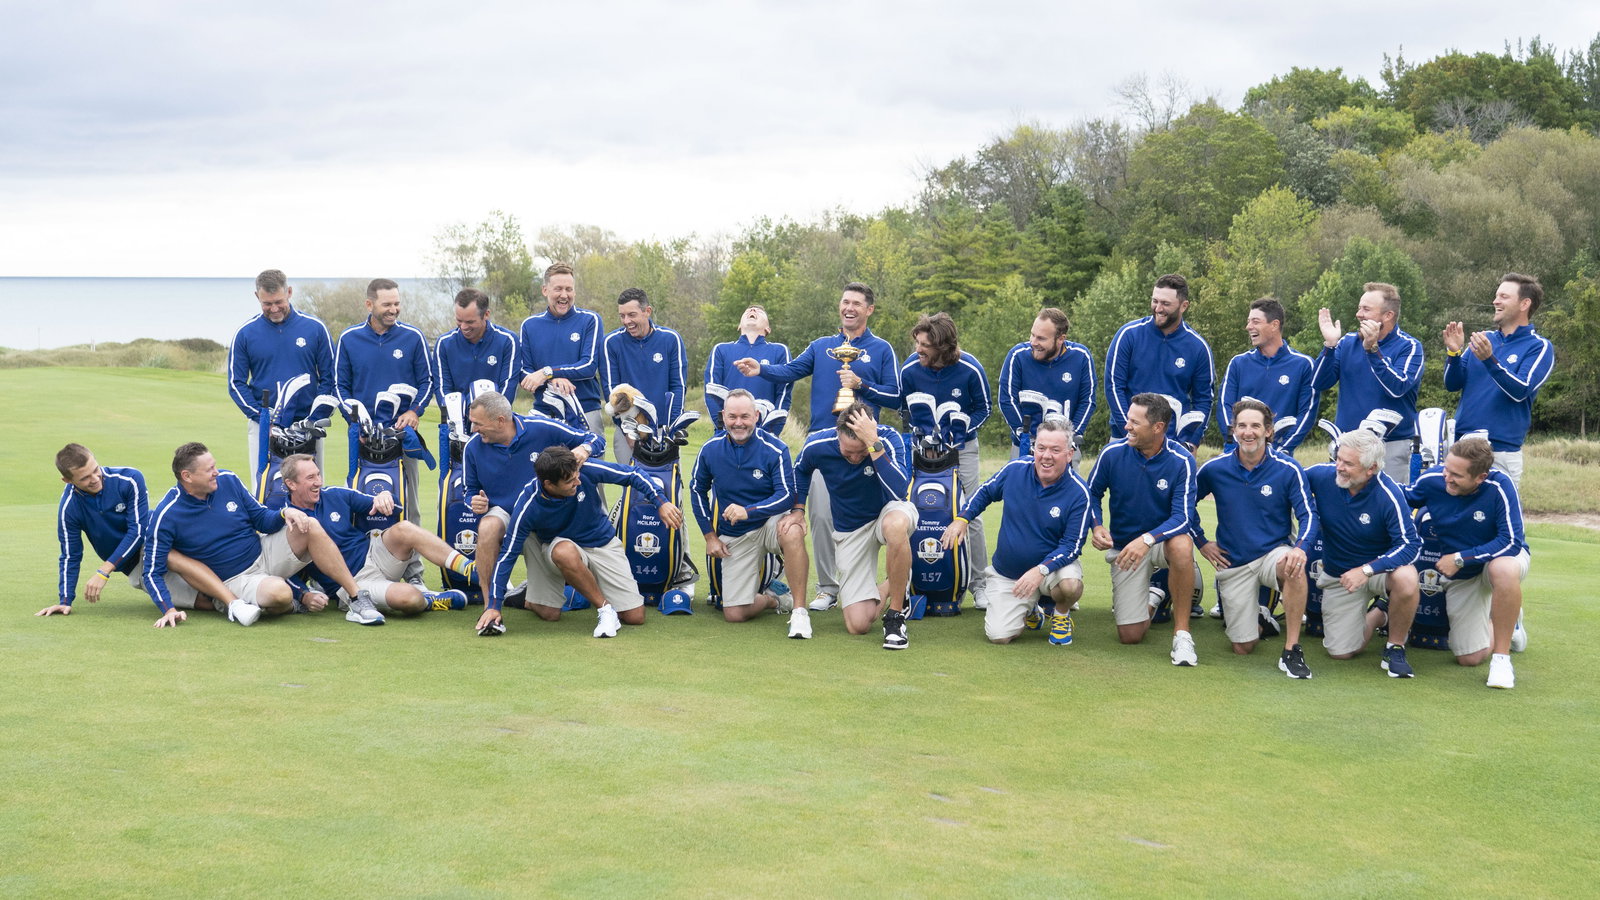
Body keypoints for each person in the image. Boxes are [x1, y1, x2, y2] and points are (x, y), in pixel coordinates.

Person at [733, 282, 901, 611]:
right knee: (822, 517)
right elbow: (792, 370)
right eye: (844, 302)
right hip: (825, 446)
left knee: (878, 520)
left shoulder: (881, 349)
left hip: (866, 446)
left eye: (856, 303)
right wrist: (762, 369)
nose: (848, 308)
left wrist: (861, 384)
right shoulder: (822, 346)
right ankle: (828, 587)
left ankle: (883, 583)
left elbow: (896, 396)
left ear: (869, 310)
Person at [144, 442, 373, 628]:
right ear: (187, 476)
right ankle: (292, 600)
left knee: (309, 524)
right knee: (279, 594)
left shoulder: (228, 480)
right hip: (236, 579)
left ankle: (356, 598)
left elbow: (262, 520)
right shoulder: (167, 514)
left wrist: (285, 513)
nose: (216, 472)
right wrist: (169, 609)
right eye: (209, 470)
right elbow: (152, 572)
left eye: (214, 466)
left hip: (264, 553)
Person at [477, 447, 684, 637]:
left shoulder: (584, 469)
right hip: (559, 548)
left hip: (602, 543)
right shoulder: (528, 504)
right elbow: (508, 555)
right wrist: (494, 605)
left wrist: (661, 502)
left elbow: (633, 474)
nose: (577, 482)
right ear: (548, 484)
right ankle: (605, 610)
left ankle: (535, 591)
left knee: (635, 617)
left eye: (577, 477)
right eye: (569, 481)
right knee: (550, 612)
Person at [1194, 400, 1317, 677]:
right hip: (1234, 562)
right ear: (1234, 430)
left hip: (1273, 554)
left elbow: (1309, 515)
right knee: (1243, 646)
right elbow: (1185, 504)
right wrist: (1201, 542)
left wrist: (1300, 549)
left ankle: (1292, 650)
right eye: (1242, 426)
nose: (1248, 432)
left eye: (1255, 426)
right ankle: (1262, 617)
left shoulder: (1288, 468)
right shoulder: (1215, 468)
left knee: (1293, 567)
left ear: (1268, 431)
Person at [39, 443, 230, 620]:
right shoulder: (69, 508)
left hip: (160, 538)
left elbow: (137, 531)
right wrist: (65, 600)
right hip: (133, 566)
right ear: (67, 480)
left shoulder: (129, 479)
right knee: (206, 602)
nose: (95, 478)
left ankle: (242, 600)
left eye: (95, 470)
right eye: (85, 478)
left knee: (203, 564)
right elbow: (70, 555)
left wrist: (104, 571)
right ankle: (240, 602)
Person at [942, 420, 1090, 646]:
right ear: (1034, 449)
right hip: (1009, 573)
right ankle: (1031, 609)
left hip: (1050, 571)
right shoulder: (1015, 469)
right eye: (1041, 448)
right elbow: (984, 492)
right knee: (998, 636)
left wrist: (1040, 570)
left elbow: (1072, 546)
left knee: (1070, 584)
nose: (1046, 455)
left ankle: (1060, 614)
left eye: (1055, 450)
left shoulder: (1079, 492)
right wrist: (962, 518)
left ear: (1069, 454)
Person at [275, 454, 476, 618]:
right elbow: (281, 570)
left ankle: (468, 569)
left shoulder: (334, 494)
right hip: (353, 584)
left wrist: (386, 497)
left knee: (405, 528)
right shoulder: (286, 520)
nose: (318, 482)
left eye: (318, 475)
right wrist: (303, 595)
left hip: (375, 554)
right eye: (310, 478)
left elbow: (395, 508)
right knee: (410, 598)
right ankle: (430, 600)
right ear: (291, 484)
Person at [1085, 393, 1201, 666]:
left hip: (1160, 543)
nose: (1127, 427)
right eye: (1128, 420)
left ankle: (1182, 634)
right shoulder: (1112, 453)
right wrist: (1097, 524)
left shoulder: (1182, 460)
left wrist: (1147, 540)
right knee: (1130, 635)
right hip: (1125, 548)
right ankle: (1157, 592)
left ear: (1158, 427)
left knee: (1182, 544)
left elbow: (1183, 517)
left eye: (1134, 422)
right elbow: (1090, 494)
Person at [1405, 438, 1529, 689]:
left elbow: (1512, 541)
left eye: (1456, 475)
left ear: (1480, 477)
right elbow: (1400, 498)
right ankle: (1505, 618)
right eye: (1446, 469)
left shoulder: (1500, 485)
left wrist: (1461, 558)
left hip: (1496, 560)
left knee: (1502, 569)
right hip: (1463, 573)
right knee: (1469, 658)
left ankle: (1502, 660)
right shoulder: (1433, 479)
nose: (1446, 477)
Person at [791, 402, 916, 649]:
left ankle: (895, 617)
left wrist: (874, 445)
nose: (856, 458)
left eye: (862, 452)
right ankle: (896, 581)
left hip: (888, 512)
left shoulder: (888, 439)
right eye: (848, 452)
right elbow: (801, 470)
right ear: (838, 435)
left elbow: (899, 490)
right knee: (857, 625)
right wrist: (798, 510)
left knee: (896, 525)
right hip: (851, 528)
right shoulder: (818, 444)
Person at [462, 391, 603, 607]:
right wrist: (474, 501)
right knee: (488, 526)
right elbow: (469, 490)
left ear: (500, 421)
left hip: (547, 511)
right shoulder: (472, 447)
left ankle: (532, 594)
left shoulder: (541, 428)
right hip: (508, 513)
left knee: (547, 613)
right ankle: (490, 604)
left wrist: (584, 449)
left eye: (478, 423)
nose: (473, 429)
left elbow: (594, 438)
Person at [1302, 428, 1423, 676]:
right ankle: (1381, 612)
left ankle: (1395, 646)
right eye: (1338, 459)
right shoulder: (1320, 475)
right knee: (1341, 653)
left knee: (1407, 578)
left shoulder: (1389, 494)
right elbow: (1286, 482)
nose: (1339, 467)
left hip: (1379, 572)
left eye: (1348, 463)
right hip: (1340, 576)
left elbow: (1410, 545)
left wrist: (1367, 570)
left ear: (1372, 468)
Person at [689, 390, 807, 634]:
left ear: (756, 416)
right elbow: (696, 490)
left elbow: (786, 494)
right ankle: (774, 598)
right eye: (732, 417)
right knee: (734, 614)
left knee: (793, 531)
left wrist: (749, 511)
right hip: (736, 533)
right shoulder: (710, 449)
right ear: (723, 416)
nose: (738, 423)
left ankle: (799, 612)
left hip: (769, 524)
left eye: (745, 416)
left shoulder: (775, 448)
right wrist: (710, 536)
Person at [899, 312, 992, 606]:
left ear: (943, 346)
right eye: (917, 343)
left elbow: (984, 408)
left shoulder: (970, 368)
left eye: (924, 345)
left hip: (962, 449)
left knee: (970, 512)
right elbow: (904, 409)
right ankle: (912, 580)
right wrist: (918, 436)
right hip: (922, 452)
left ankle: (979, 584)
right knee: (915, 513)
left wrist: (960, 431)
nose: (918, 350)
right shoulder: (910, 369)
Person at [334, 278, 435, 526]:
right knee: (360, 495)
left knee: (409, 502)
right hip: (362, 434)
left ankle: (412, 564)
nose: (393, 309)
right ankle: (362, 556)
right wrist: (355, 422)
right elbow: (339, 387)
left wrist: (414, 411)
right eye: (387, 304)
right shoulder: (349, 338)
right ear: (369, 304)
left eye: (397, 303)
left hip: (402, 433)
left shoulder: (413, 337)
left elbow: (428, 381)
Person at [1442, 273, 1555, 487]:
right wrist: (1454, 353)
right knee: (1457, 517)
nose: (1495, 301)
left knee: (1499, 518)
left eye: (1503, 296)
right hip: (1462, 446)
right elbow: (1452, 384)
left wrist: (1489, 360)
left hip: (1500, 451)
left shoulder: (1539, 347)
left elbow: (1520, 390)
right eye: (1496, 296)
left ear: (1524, 304)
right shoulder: (1484, 340)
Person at [227, 269, 335, 482]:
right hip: (264, 425)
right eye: (267, 304)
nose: (274, 309)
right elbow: (236, 383)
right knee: (265, 488)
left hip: (306, 424)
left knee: (312, 488)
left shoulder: (315, 328)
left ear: (289, 292)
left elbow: (330, 379)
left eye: (279, 301)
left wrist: (314, 419)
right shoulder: (246, 333)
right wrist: (263, 419)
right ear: (257, 296)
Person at [1312, 282, 1424, 484]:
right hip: (1347, 445)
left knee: (1388, 506)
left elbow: (1397, 388)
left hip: (1390, 446)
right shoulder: (1347, 342)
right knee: (1343, 509)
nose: (1358, 314)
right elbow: (1319, 383)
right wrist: (1329, 346)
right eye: (1359, 308)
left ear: (1387, 316)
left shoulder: (1410, 347)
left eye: (1366, 309)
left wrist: (1373, 351)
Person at [1105, 274, 1214, 450]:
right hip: (1125, 438)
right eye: (1155, 301)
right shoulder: (1128, 335)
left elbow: (1204, 399)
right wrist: (1130, 430)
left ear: (1183, 306)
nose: (1158, 308)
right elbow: (1113, 386)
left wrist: (1191, 441)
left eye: (1166, 304)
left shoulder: (1197, 347)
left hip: (1172, 444)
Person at [601, 288, 688, 465]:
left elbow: (678, 386)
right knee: (630, 490)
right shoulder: (611, 342)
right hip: (626, 428)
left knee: (665, 488)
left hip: (664, 430)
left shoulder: (671, 339)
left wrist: (671, 429)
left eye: (632, 315)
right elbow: (612, 391)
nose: (627, 321)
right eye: (622, 316)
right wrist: (630, 429)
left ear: (647, 311)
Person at [1218, 298, 1317, 451]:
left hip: (1278, 457)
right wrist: (1237, 443)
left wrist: (1282, 450)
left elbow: (1306, 415)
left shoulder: (1303, 365)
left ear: (1274, 325)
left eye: (1255, 322)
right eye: (1248, 321)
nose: (1248, 327)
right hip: (1237, 453)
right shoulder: (1238, 363)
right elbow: (1225, 408)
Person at [996, 307, 1096, 459]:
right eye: (1032, 335)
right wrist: (1026, 438)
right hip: (1024, 447)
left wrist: (1070, 438)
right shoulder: (1017, 356)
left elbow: (1087, 401)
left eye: (1041, 338)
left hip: (1064, 447)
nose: (1033, 342)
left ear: (1061, 339)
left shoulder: (1081, 357)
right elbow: (1006, 400)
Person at [518, 262, 605, 431]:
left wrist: (547, 372)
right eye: (558, 289)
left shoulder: (590, 320)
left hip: (585, 411)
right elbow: (525, 373)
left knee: (587, 458)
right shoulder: (529, 325)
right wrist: (552, 377)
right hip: (544, 413)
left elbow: (588, 366)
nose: (564, 295)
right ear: (545, 290)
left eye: (569, 289)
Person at [704, 305, 791, 435]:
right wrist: (724, 428)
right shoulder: (721, 349)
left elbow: (784, 394)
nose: (753, 311)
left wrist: (771, 431)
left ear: (768, 328)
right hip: (727, 434)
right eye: (747, 310)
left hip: (764, 435)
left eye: (759, 311)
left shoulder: (779, 351)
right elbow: (711, 392)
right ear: (739, 326)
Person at [435, 288, 518, 409]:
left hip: (494, 419)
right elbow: (442, 390)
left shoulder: (507, 340)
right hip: (457, 418)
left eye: (470, 322)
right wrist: (455, 415)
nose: (463, 327)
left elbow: (507, 389)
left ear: (486, 315)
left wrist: (484, 419)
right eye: (459, 320)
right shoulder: (444, 343)